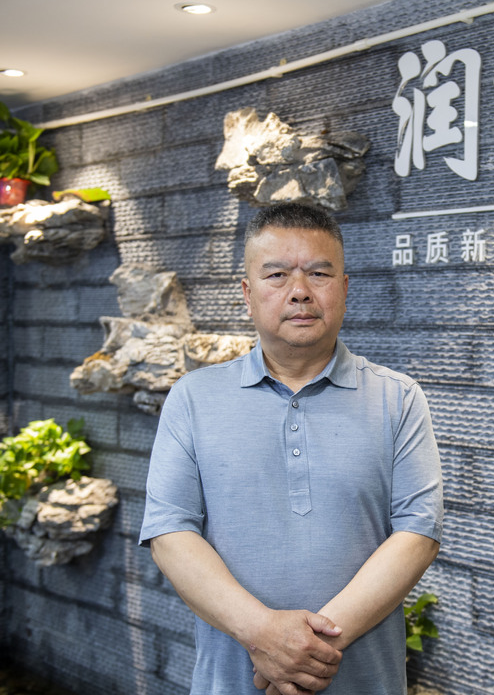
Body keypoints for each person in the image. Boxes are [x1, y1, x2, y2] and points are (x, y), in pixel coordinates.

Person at [139, 202, 443, 695]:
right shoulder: (193, 397)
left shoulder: (398, 398)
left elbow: (418, 533)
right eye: (277, 274)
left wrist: (303, 650)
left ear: (344, 289)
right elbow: (169, 532)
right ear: (248, 293)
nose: (299, 291)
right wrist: (262, 634)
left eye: (319, 273)